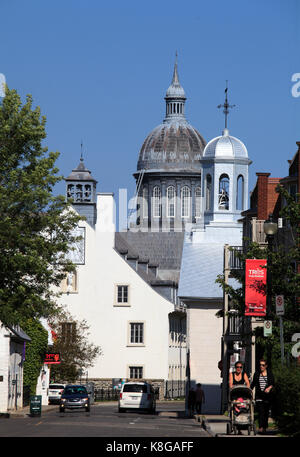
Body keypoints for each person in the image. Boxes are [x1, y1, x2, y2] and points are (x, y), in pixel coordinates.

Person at [250, 359, 275, 434]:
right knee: (261, 411)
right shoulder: (257, 373)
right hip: (259, 395)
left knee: (266, 412)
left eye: (263, 365)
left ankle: (264, 427)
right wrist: (248, 391)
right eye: (260, 365)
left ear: (266, 366)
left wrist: (269, 388)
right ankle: (261, 427)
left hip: (267, 396)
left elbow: (272, 383)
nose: (261, 366)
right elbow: (253, 384)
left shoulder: (269, 374)